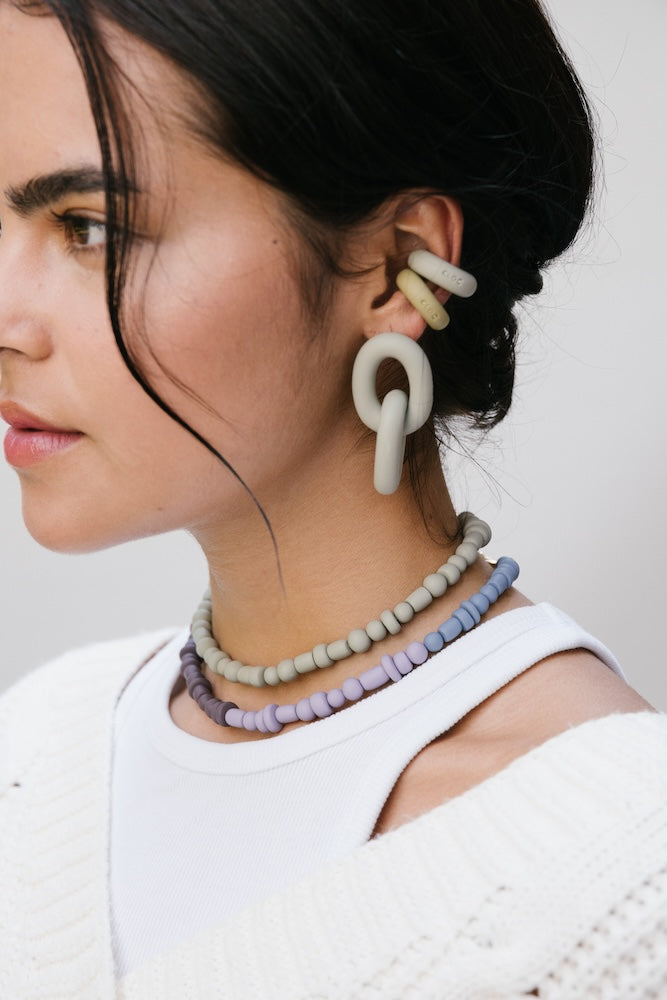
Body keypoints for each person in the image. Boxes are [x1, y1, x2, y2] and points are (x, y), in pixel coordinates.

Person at [0, 0, 665, 997]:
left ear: (396, 268)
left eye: (89, 228)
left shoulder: (620, 877)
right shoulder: (37, 745)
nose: (7, 315)